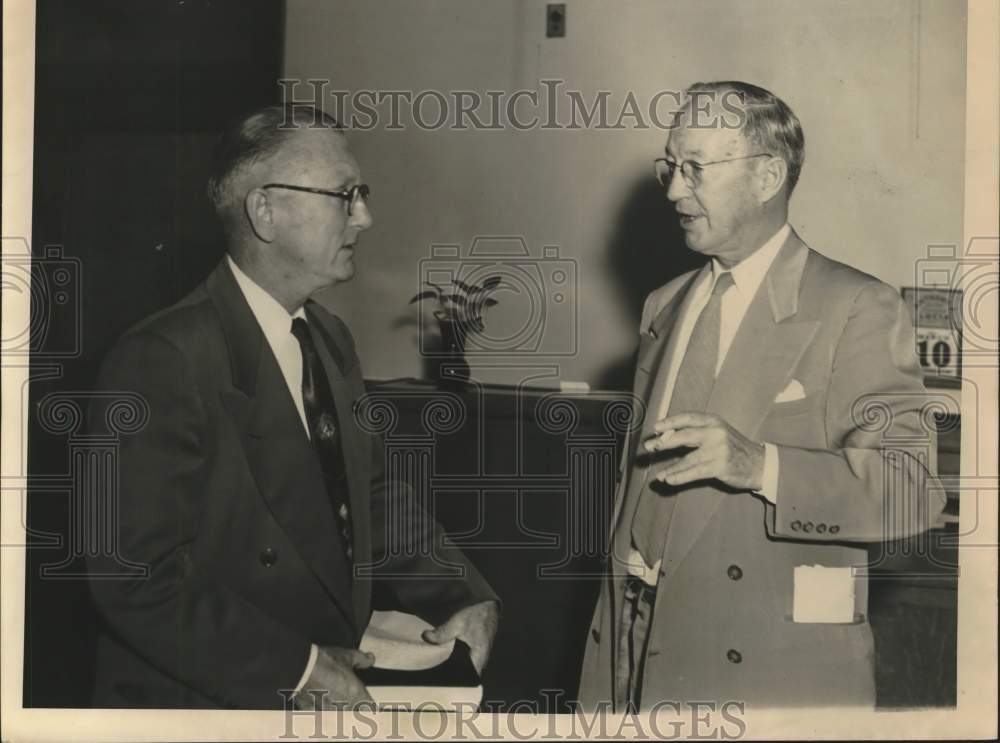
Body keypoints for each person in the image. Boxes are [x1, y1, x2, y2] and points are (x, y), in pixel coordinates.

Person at [86, 104, 499, 709]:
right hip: (211, 703)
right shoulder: (164, 358)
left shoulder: (327, 336)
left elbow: (371, 497)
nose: (366, 216)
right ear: (265, 211)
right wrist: (300, 669)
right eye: (344, 195)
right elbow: (136, 577)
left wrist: (463, 594)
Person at [578, 82, 946, 711]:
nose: (672, 190)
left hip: (763, 670)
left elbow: (911, 492)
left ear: (767, 175)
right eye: (670, 166)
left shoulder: (856, 306)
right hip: (633, 644)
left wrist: (762, 466)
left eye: (696, 168)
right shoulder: (663, 306)